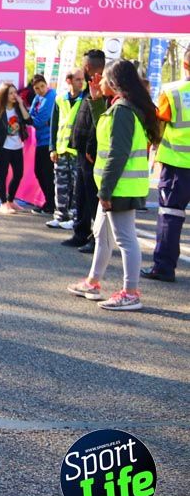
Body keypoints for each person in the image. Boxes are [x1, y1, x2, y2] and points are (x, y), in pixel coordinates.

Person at [68, 60, 163, 310]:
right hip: (113, 186)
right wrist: (96, 100)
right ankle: (93, 282)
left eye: (103, 79)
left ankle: (130, 292)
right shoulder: (120, 107)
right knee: (102, 235)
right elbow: (107, 134)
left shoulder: (123, 110)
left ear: (113, 82)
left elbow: (118, 152)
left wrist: (106, 190)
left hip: (118, 187)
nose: (97, 82)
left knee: (125, 239)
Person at [142, 46, 190, 283]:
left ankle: (164, 267)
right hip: (177, 165)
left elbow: (158, 127)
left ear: (184, 64)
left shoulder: (172, 92)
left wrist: (153, 152)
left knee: (170, 216)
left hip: (176, 166)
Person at [68, 51, 108, 253]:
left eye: (84, 67)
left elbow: (99, 122)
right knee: (81, 194)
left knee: (92, 196)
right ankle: (81, 232)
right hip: (82, 149)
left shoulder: (103, 89)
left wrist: (92, 146)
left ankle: (97, 238)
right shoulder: (88, 89)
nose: (83, 70)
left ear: (88, 68)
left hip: (92, 152)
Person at [48, 69, 87, 231]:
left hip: (77, 151)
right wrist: (53, 148)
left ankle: (75, 217)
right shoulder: (59, 99)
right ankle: (60, 215)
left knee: (77, 186)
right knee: (60, 184)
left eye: (82, 79)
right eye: (77, 79)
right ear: (69, 80)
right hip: (61, 149)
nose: (81, 82)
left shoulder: (85, 98)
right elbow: (54, 124)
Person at [0, 82, 32, 214]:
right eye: (10, 93)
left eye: (15, 92)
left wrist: (21, 104)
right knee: (2, 175)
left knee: (18, 174)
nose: (13, 95)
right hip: (2, 147)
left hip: (17, 147)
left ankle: (11, 200)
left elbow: (29, 120)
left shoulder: (18, 108)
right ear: (4, 95)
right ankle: (3, 203)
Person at [28, 74, 56, 214]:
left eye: (42, 86)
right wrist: (35, 119)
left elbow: (37, 121)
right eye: (37, 88)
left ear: (46, 84)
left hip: (49, 141)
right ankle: (49, 202)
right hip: (41, 140)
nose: (40, 90)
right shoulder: (38, 98)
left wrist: (35, 119)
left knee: (46, 174)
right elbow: (30, 116)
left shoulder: (51, 96)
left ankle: (51, 204)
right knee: (40, 173)